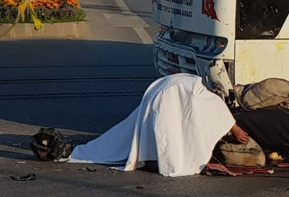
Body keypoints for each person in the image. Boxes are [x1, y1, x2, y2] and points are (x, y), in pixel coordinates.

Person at [68, 73, 247, 177]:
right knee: (169, 129)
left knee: (158, 129)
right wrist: (235, 129)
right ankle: (165, 159)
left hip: (161, 91)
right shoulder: (204, 97)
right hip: (171, 91)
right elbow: (218, 111)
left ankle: (156, 156)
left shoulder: (198, 92)